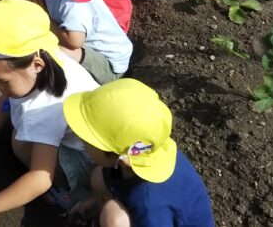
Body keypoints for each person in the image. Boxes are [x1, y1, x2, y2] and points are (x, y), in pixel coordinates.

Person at [0, 0, 100, 225]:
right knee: (19, 125)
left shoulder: (44, 109)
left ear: (37, 65)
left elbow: (40, 177)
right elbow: (8, 100)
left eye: (3, 81)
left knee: (20, 142)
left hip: (91, 164)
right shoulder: (48, 59)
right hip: (95, 149)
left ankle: (72, 194)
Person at [63, 79, 216, 226]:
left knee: (113, 219)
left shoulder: (150, 203)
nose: (81, 139)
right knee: (98, 177)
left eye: (88, 140)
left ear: (122, 159)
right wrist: (97, 202)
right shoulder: (145, 153)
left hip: (155, 217)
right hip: (137, 200)